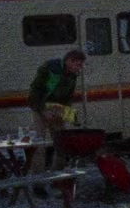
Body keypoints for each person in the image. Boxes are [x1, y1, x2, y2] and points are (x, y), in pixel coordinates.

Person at [27, 49, 86, 193]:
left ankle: (56, 178)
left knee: (61, 144)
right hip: (40, 108)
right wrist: (43, 111)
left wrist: (66, 112)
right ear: (69, 61)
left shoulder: (73, 76)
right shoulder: (50, 68)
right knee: (39, 146)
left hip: (56, 109)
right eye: (78, 64)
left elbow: (68, 97)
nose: (80, 68)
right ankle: (38, 184)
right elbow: (34, 93)